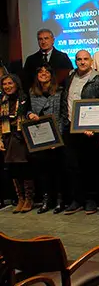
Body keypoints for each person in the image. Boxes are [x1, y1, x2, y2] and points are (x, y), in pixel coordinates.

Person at [61, 50, 99, 215]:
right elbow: (64, 102)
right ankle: (77, 200)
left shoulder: (97, 80)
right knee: (72, 166)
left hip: (89, 131)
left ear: (91, 61)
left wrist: (94, 128)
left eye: (85, 59)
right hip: (70, 128)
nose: (82, 62)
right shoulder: (69, 78)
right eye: (79, 59)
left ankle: (91, 200)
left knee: (89, 166)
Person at [26, 63, 66, 214]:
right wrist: (29, 114)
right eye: (40, 72)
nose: (43, 74)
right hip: (39, 137)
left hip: (56, 138)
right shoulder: (32, 92)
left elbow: (63, 115)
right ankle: (46, 200)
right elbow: (26, 110)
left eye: (46, 71)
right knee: (43, 171)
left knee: (58, 171)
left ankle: (59, 201)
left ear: (51, 74)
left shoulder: (60, 91)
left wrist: (58, 138)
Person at [1, 74, 33, 213]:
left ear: (16, 84)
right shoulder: (2, 100)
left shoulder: (24, 98)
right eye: (4, 84)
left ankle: (29, 198)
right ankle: (19, 198)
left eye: (10, 83)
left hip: (21, 137)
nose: (7, 86)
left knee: (24, 168)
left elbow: (29, 113)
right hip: (7, 137)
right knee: (12, 169)